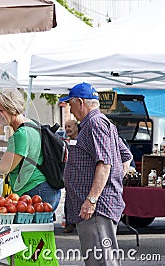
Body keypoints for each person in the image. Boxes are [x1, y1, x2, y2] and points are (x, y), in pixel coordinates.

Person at [59, 82, 133, 266]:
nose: (70, 108)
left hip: (96, 210)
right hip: (98, 207)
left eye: (71, 104)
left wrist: (92, 199)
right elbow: (125, 156)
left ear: (81, 102)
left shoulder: (94, 123)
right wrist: (113, 183)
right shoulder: (99, 122)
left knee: (102, 262)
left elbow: (104, 164)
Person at [62, 119, 78, 233]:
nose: (67, 129)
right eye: (66, 127)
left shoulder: (81, 140)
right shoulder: (67, 142)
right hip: (70, 177)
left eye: (69, 126)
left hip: (79, 176)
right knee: (69, 201)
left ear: (76, 127)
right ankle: (70, 223)